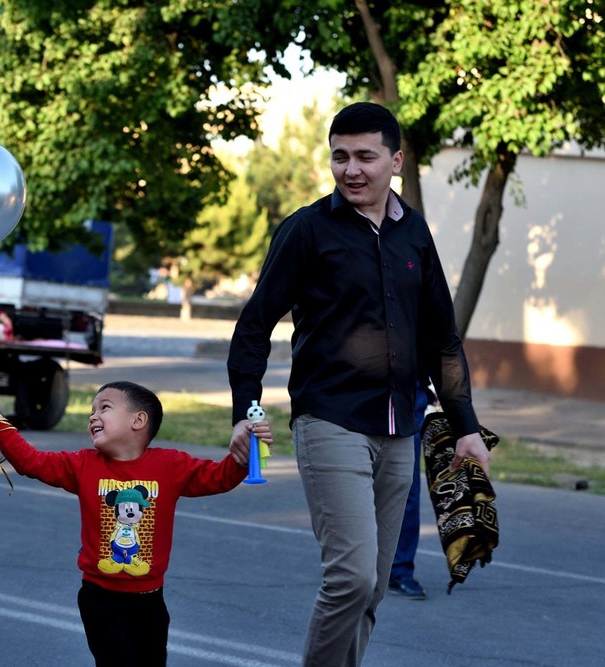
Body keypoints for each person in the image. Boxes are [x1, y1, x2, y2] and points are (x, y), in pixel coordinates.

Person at [227, 102, 491, 666]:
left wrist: (466, 428)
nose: (352, 169)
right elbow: (254, 327)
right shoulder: (306, 230)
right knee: (350, 577)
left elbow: (442, 338)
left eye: (366, 157)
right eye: (340, 157)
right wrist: (246, 410)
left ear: (395, 160)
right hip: (330, 419)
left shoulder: (414, 232)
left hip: (399, 428)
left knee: (372, 586)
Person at [0, 381, 271, 666]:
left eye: (104, 408)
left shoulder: (171, 465)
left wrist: (246, 454)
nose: (93, 416)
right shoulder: (81, 464)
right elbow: (30, 461)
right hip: (100, 601)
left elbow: (219, 477)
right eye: (92, 411)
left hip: (150, 603)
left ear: (138, 421)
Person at [387, 382, 432, 600]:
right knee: (359, 487)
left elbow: (449, 352)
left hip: (408, 401)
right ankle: (354, 565)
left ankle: (400, 570)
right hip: (355, 400)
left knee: (406, 490)